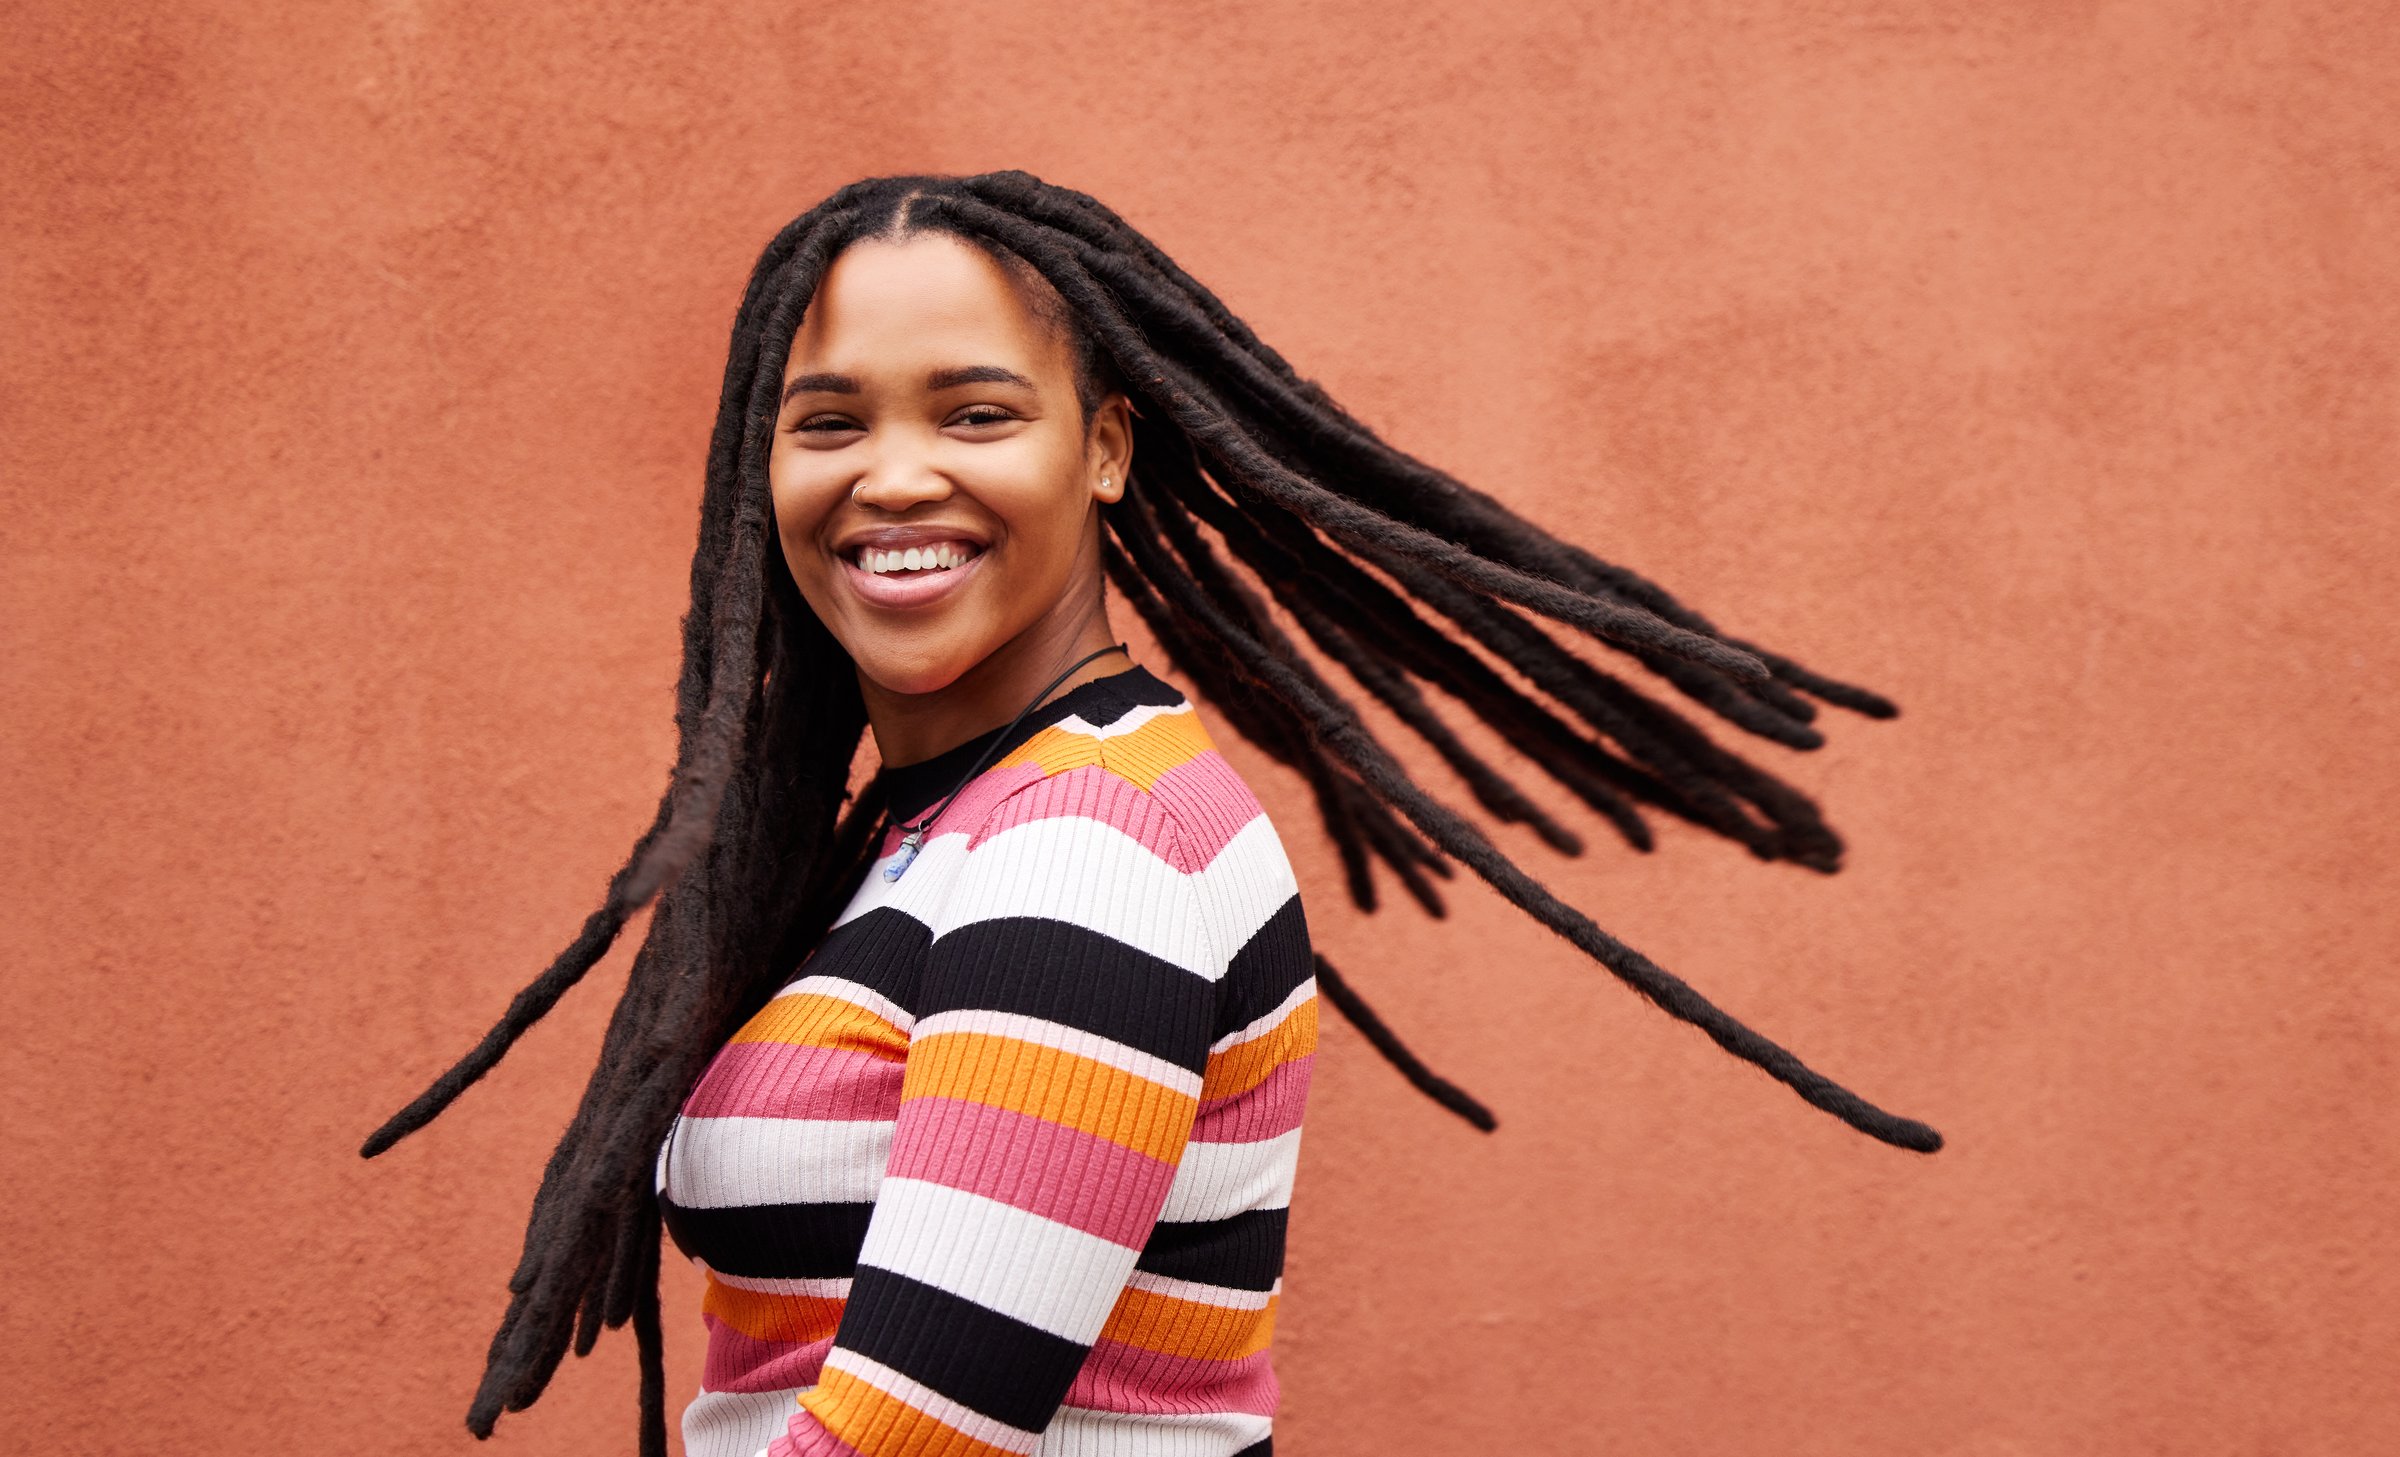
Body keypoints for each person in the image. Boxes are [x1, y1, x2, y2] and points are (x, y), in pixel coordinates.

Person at [361, 170, 1943, 1457]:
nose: (893, 476)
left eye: (976, 414)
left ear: (1105, 448)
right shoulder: (931, 834)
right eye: (830, 420)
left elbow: (904, 1442)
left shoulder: (1088, 847)